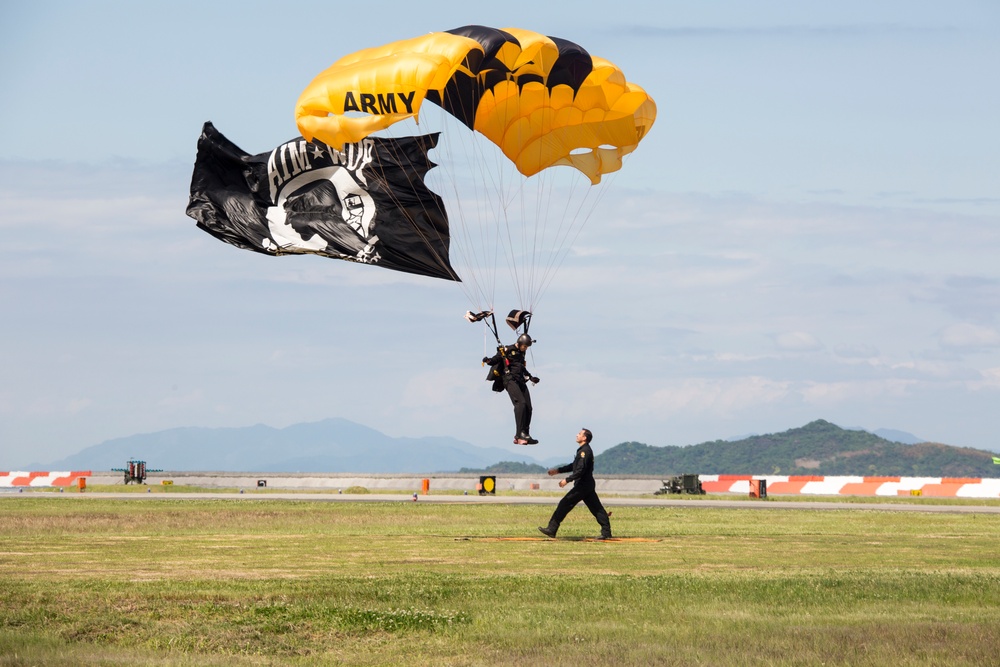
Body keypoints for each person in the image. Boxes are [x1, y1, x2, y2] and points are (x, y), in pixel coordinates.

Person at [538, 428, 612, 539]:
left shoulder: (584, 451)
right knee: (597, 509)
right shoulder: (583, 450)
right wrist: (558, 471)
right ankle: (606, 533)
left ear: (584, 437)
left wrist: (567, 480)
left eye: (579, 434)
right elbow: (574, 466)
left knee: (564, 503)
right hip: (586, 485)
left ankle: (552, 529)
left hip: (583, 485)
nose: (576, 435)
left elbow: (580, 470)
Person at [483, 333, 540, 445]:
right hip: (509, 380)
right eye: (525, 346)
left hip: (520, 380)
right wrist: (488, 361)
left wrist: (531, 377)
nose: (526, 348)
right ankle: (519, 434)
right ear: (519, 343)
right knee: (521, 403)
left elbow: (521, 367)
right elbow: (496, 359)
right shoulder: (507, 349)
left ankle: (525, 434)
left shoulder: (521, 353)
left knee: (528, 407)